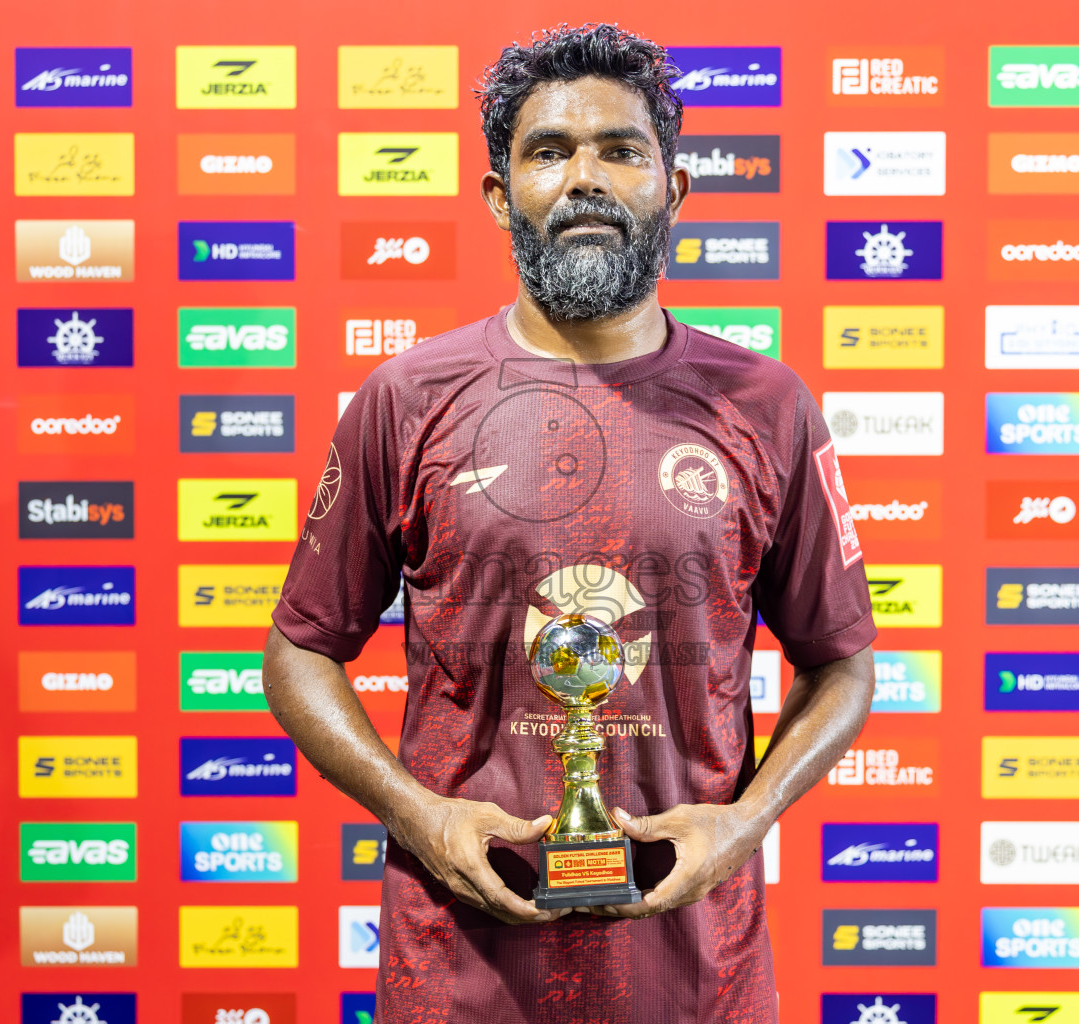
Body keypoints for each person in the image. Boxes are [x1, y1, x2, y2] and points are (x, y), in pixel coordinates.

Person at [265, 22, 876, 1022]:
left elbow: (843, 664)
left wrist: (745, 822)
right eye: (549, 151)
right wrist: (417, 815)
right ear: (501, 196)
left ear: (674, 191)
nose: (584, 177)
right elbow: (299, 649)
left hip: (698, 976)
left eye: (621, 150)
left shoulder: (766, 405)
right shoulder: (407, 398)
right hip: (459, 975)